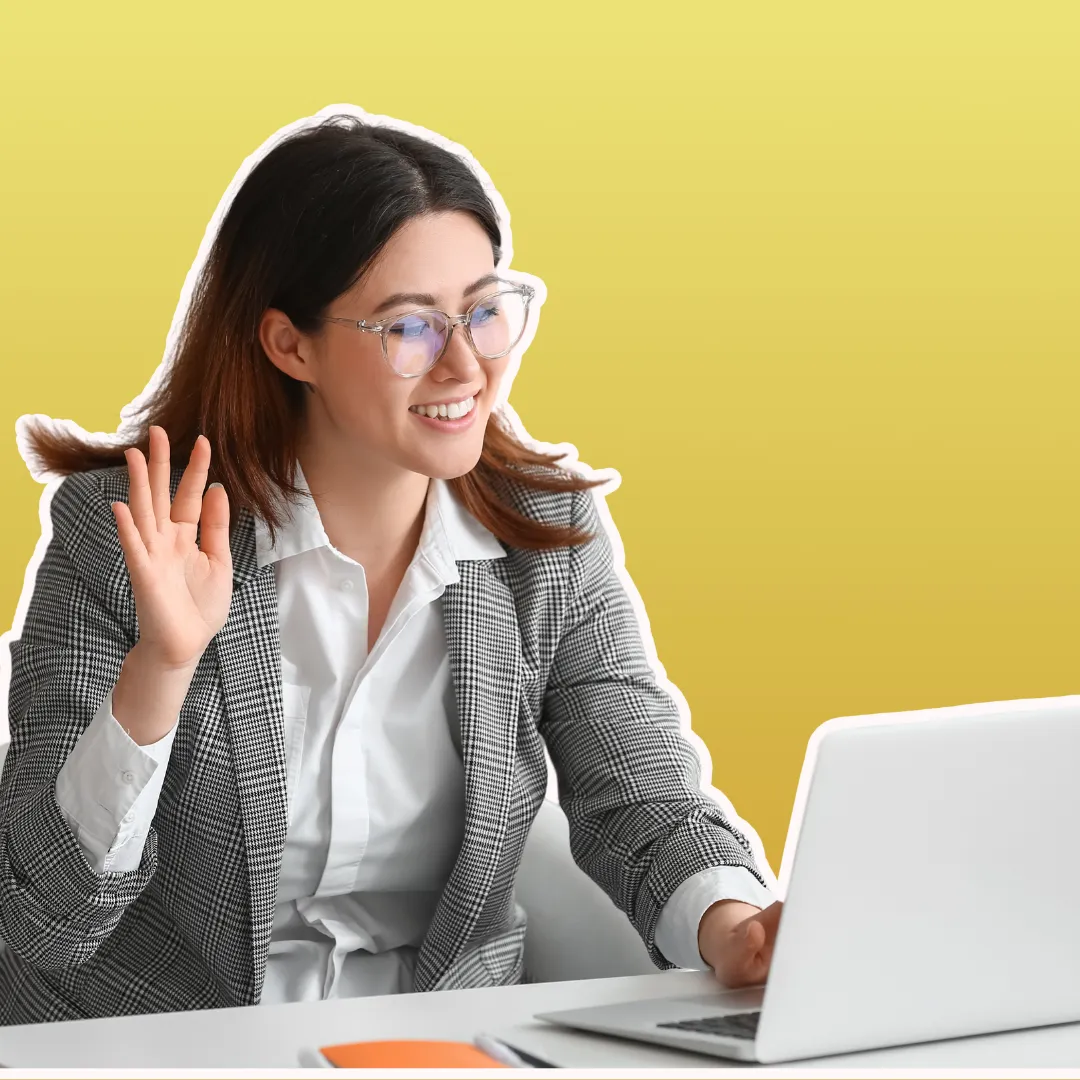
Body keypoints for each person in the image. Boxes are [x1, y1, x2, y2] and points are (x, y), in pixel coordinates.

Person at [0, 111, 782, 1025]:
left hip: (438, 1049)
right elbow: (43, 920)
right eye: (411, 327)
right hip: (156, 1045)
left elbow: (639, 791)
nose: (466, 366)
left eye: (485, 313)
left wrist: (736, 923)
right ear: (290, 345)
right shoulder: (131, 532)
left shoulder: (548, 542)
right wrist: (161, 671)